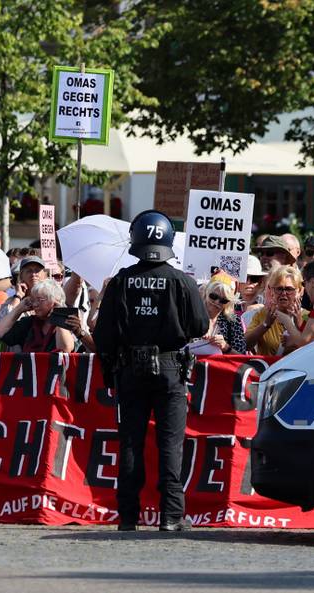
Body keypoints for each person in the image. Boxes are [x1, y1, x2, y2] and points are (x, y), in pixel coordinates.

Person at [93, 210, 208, 532]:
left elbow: (104, 334)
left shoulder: (121, 281)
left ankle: (127, 517)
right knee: (170, 446)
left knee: (130, 444)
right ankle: (171, 517)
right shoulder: (182, 281)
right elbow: (199, 326)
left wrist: (109, 370)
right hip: (171, 369)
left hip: (130, 370)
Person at [0, 279, 75, 353]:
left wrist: (59, 315)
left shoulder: (67, 321)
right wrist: (19, 308)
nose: (35, 304)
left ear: (55, 301)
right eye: (33, 300)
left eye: (40, 300)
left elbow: (65, 349)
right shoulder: (29, 322)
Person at [244, 265, 306, 356]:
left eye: (289, 289)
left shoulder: (309, 317)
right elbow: (245, 345)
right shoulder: (262, 314)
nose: (283, 293)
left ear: (300, 291)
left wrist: (299, 325)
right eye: (279, 289)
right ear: (272, 291)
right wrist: (266, 325)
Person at [195, 280, 246, 354]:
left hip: (218, 365)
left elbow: (241, 357)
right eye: (213, 296)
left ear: (228, 303)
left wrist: (225, 347)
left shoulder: (233, 320)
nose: (217, 302)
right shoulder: (192, 315)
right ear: (206, 293)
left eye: (223, 300)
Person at [0, 255, 49, 320]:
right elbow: (2, 321)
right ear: (21, 276)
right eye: (29, 271)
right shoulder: (12, 300)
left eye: (37, 270)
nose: (33, 274)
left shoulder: (51, 298)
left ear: (45, 275)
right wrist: (18, 296)